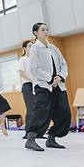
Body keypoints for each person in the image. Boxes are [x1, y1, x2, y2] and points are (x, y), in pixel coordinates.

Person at [25, 22, 71, 152]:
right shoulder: (34, 48)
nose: (46, 32)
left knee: (64, 111)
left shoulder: (53, 48)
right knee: (41, 111)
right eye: (43, 30)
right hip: (43, 85)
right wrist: (50, 79)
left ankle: (51, 138)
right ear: (36, 33)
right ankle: (31, 139)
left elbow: (63, 64)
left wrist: (60, 77)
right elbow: (34, 68)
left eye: (47, 29)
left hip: (59, 85)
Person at [18, 40, 38, 139]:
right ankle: (28, 133)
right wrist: (32, 80)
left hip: (36, 85)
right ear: (25, 48)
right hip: (28, 85)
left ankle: (37, 132)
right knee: (31, 109)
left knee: (37, 109)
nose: (32, 47)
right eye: (30, 46)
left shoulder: (35, 60)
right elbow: (21, 73)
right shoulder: (23, 59)